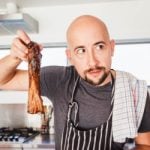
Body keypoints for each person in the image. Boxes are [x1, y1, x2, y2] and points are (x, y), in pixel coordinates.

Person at [0, 15, 150, 150]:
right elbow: (3, 81)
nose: (92, 61)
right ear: (70, 56)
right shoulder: (59, 79)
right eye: (81, 50)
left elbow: (145, 144)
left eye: (99, 47)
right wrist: (14, 57)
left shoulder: (135, 92)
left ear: (111, 48)